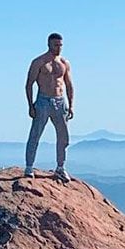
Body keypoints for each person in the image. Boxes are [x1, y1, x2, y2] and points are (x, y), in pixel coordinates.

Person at [24, 32, 74, 181]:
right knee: (35, 134)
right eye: (55, 45)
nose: (58, 48)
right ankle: (29, 167)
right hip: (43, 100)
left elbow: (69, 84)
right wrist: (30, 105)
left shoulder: (64, 63)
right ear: (48, 44)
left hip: (60, 101)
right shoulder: (39, 62)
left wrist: (71, 105)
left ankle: (60, 167)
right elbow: (29, 84)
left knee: (63, 137)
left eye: (60, 45)